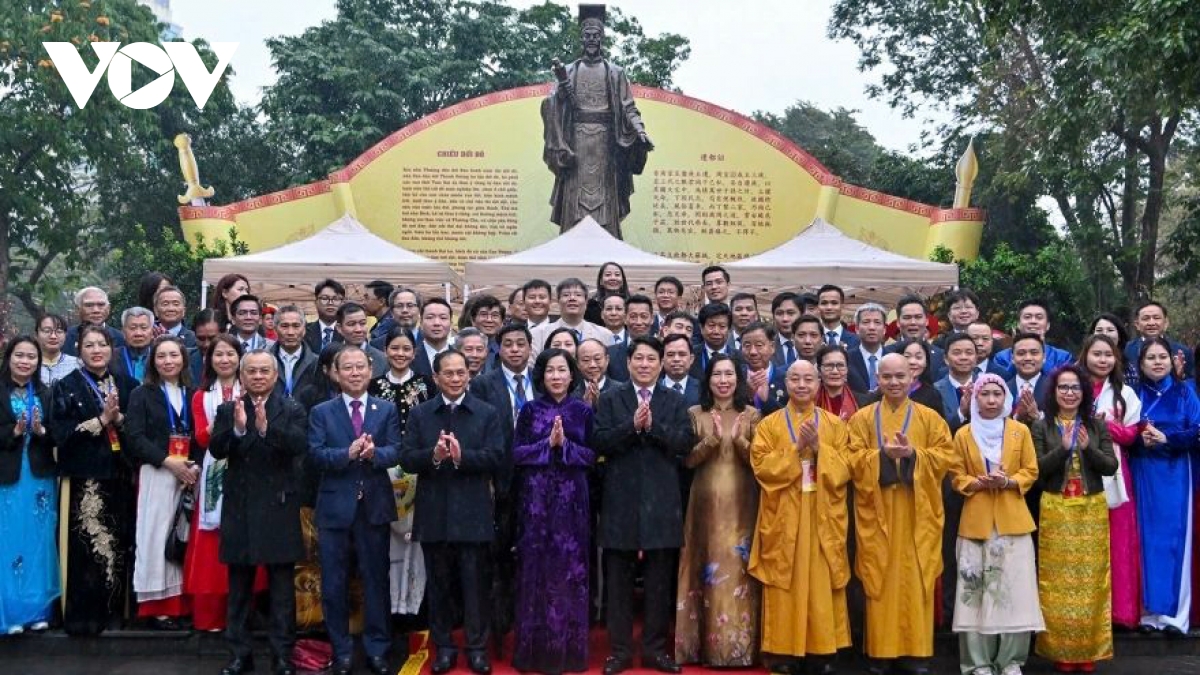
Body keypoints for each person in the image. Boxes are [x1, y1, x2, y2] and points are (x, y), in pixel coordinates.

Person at [593, 337, 694, 675]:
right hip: (620, 499)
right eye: (639, 358)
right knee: (618, 581)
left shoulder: (676, 401)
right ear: (628, 362)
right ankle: (619, 651)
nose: (645, 364)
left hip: (663, 501)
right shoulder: (610, 399)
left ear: (662, 363)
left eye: (652, 359)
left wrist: (653, 428)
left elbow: (683, 444)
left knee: (658, 582)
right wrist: (631, 426)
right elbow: (599, 442)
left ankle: (654, 649)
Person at [848, 353, 953, 675]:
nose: (894, 383)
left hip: (916, 512)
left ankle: (915, 653)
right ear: (877, 380)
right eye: (887, 377)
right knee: (879, 577)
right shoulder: (862, 418)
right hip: (877, 511)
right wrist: (881, 456)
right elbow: (850, 459)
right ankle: (880, 652)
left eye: (900, 377)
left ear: (912, 379)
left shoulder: (930, 418)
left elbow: (946, 456)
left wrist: (912, 455)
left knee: (915, 578)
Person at [400, 350, 503, 675]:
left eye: (462, 373)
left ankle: (476, 648)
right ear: (436, 377)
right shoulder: (421, 414)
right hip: (435, 513)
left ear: (469, 376)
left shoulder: (486, 413)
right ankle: (444, 647)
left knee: (475, 586)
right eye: (449, 373)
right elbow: (406, 458)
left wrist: (462, 458)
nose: (456, 378)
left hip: (473, 512)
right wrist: (433, 455)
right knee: (440, 586)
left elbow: (496, 457)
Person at [749, 360, 853, 675]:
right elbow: (761, 467)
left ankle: (822, 651)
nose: (802, 385)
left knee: (820, 581)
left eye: (809, 379)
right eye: (795, 378)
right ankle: (782, 653)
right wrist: (796, 448)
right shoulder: (769, 425)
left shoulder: (834, 425)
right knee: (784, 580)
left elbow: (848, 468)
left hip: (821, 512)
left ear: (819, 383)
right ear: (786, 383)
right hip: (784, 512)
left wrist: (820, 449)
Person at [209, 350, 309, 675]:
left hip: (278, 506)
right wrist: (238, 430)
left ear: (276, 375)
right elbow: (216, 449)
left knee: (282, 589)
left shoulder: (291, 408)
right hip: (240, 507)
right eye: (251, 371)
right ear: (242, 376)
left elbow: (299, 445)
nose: (258, 376)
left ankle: (282, 654)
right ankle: (240, 653)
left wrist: (267, 430)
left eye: (265, 370)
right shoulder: (229, 409)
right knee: (239, 588)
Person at [309, 345, 403, 675]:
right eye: (347, 367)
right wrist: (346, 454)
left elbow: (396, 451)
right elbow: (316, 455)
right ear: (335, 373)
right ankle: (342, 650)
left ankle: (378, 649)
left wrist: (375, 454)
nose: (354, 372)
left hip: (373, 507)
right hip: (335, 508)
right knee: (333, 583)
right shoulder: (322, 411)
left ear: (370, 370)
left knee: (376, 580)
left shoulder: (386, 409)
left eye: (360, 367)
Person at [948, 375, 1043, 675]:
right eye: (984, 394)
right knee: (974, 595)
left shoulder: (1019, 432)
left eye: (996, 394)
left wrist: (1009, 480)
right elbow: (955, 475)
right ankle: (977, 663)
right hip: (975, 521)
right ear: (974, 398)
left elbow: (1031, 469)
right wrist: (975, 483)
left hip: (1013, 520)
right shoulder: (963, 434)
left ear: (1006, 398)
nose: (991, 400)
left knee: (1016, 593)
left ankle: (1011, 661)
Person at [510, 348, 596, 674]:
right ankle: (533, 653)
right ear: (542, 376)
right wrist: (547, 445)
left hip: (573, 500)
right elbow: (517, 453)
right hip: (535, 500)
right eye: (550, 371)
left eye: (562, 370)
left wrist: (566, 447)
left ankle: (567, 653)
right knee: (535, 570)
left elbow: (591, 455)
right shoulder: (530, 410)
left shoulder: (583, 411)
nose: (556, 376)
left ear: (572, 375)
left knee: (569, 572)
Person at [675, 354, 762, 667]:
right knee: (705, 565)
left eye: (729, 374)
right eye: (717, 375)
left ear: (738, 379)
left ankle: (741, 649)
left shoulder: (752, 414)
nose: (723, 380)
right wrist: (711, 440)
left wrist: (740, 441)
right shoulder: (694, 413)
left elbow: (760, 463)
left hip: (743, 502)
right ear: (707, 379)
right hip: (704, 503)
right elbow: (687, 461)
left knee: (740, 567)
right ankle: (703, 648)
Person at [51, 324, 136, 635]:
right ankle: (83, 616)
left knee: (119, 544)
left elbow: (138, 432)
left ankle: (115, 612)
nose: (96, 350)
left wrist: (120, 420)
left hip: (120, 476)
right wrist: (101, 420)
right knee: (86, 548)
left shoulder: (127, 385)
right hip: (84, 479)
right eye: (89, 345)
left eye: (102, 344)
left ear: (111, 349)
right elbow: (62, 435)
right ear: (79, 350)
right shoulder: (66, 386)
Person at [1032, 364, 1118, 672]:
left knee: (1091, 582)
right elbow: (1037, 471)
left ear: (1084, 393)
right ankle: (1060, 651)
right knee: (1056, 584)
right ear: (1053, 393)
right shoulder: (1042, 427)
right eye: (1063, 388)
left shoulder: (1096, 426)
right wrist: (1064, 449)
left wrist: (1086, 448)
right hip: (1056, 509)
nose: (1069, 393)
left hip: (1090, 510)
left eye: (1075, 388)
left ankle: (1088, 651)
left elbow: (1110, 466)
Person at [542, 5, 651, 238]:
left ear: (602, 38)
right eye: (587, 36)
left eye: (596, 35)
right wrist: (560, 95)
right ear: (582, 38)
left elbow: (628, 107)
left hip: (606, 145)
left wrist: (640, 131)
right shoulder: (570, 71)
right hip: (576, 144)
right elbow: (551, 104)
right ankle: (571, 241)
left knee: (605, 200)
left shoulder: (615, 72)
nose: (592, 40)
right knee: (575, 198)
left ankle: (608, 243)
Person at [467, 323, 535, 655]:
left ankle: (531, 623)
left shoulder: (545, 378)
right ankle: (496, 629)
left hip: (540, 484)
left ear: (529, 347)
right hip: (499, 484)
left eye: (521, 344)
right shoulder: (482, 385)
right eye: (508, 344)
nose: (515, 350)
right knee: (497, 561)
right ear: (499, 349)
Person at [126, 335, 200, 630]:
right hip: (157, 472)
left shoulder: (192, 393)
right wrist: (167, 462)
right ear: (152, 362)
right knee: (155, 537)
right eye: (161, 356)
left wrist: (190, 467)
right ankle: (157, 606)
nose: (168, 361)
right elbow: (134, 437)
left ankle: (182, 602)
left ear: (183, 359)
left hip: (188, 475)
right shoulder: (141, 394)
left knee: (181, 536)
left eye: (174, 355)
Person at [1131, 337, 1200, 636]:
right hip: (1143, 470)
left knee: (1175, 539)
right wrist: (1139, 438)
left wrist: (1167, 438)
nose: (1158, 362)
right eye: (1151, 358)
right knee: (1145, 539)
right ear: (1141, 363)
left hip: (1175, 472)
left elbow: (1197, 431)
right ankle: (1148, 613)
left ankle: (1175, 616)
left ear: (1173, 361)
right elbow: (1121, 431)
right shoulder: (1132, 394)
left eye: (1163, 357)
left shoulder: (1186, 392)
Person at [367, 326, 433, 636]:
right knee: (389, 540)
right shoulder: (374, 385)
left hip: (418, 470)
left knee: (416, 540)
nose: (400, 354)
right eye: (394, 348)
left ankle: (416, 607)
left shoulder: (425, 384)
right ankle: (392, 607)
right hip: (382, 470)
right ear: (385, 351)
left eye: (406, 349)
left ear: (415, 353)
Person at [1078, 334, 1143, 630]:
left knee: (1118, 543)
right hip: (1078, 471)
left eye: (1108, 355)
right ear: (1085, 356)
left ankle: (1120, 612)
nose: (1102, 360)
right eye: (1096, 354)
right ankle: (1086, 611)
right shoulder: (1073, 388)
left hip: (1115, 471)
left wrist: (1105, 426)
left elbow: (1132, 434)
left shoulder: (1124, 393)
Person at [184, 335, 247, 633]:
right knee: (211, 547)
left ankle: (243, 613)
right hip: (214, 472)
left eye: (230, 354)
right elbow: (201, 438)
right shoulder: (201, 396)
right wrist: (225, 418)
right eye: (218, 355)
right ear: (209, 360)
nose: (224, 360)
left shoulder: (251, 390)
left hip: (248, 469)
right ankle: (211, 616)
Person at [0, 337, 58, 634]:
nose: (25, 361)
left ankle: (37, 610)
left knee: (39, 542)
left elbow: (57, 435)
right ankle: (9, 614)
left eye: (31, 357)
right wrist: (15, 431)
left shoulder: (47, 393)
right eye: (19, 355)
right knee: (7, 542)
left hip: (39, 479)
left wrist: (40, 430)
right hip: (7, 478)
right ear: (9, 358)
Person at [530, 278, 614, 359]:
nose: (572, 298)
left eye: (578, 295)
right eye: (566, 295)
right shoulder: (538, 334)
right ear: (558, 301)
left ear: (586, 302)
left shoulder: (604, 335)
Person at [990, 300, 1073, 377]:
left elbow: (1062, 385)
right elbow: (1001, 383)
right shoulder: (1001, 357)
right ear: (1018, 324)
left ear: (1048, 325)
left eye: (1039, 317)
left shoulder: (1063, 357)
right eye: (1027, 317)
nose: (1033, 321)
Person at [1126, 301, 1193, 383]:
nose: (1151, 323)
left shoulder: (1183, 351)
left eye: (1156, 318)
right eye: (1146, 318)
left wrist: (1179, 376)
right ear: (1137, 324)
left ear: (1166, 323)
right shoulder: (1126, 350)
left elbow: (1192, 384)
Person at [886, 295, 948, 382]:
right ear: (898, 323)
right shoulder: (886, 353)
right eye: (907, 317)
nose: (913, 322)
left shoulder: (940, 355)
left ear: (926, 321)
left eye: (918, 317)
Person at [934, 334, 981, 436]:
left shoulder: (988, 386)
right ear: (946, 359)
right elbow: (936, 429)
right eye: (957, 353)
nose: (963, 357)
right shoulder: (934, 391)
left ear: (976, 358)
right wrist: (961, 412)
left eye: (969, 353)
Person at [272, 305, 321, 399]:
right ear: (275, 330)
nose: (290, 332)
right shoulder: (265, 361)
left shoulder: (316, 363)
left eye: (296, 326)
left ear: (304, 329)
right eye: (284, 326)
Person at [63, 286, 126, 358]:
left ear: (108, 309)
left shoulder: (120, 338)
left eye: (101, 305)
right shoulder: (65, 337)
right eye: (89, 305)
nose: (96, 310)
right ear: (78, 309)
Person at [739, 322, 786, 416]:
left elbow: (787, 417)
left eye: (759, 345)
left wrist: (766, 399)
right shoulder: (735, 376)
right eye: (747, 346)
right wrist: (750, 395)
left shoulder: (785, 378)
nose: (752, 352)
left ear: (772, 347)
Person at [815, 344, 867, 422]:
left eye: (840, 365)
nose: (835, 371)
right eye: (829, 365)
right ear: (819, 370)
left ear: (847, 369)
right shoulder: (810, 401)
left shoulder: (863, 402)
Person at [1005, 333, 1050, 425]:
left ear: (1044, 357)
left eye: (1034, 353)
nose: (1028, 358)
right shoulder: (1003, 388)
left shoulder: (1054, 388)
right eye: (1021, 353)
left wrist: (1038, 416)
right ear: (1012, 358)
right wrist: (1017, 417)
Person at [608, 294, 654, 382]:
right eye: (633, 317)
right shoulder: (610, 353)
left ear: (651, 319)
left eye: (644, 316)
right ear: (625, 319)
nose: (639, 322)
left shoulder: (663, 351)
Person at [691, 302, 739, 380]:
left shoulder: (740, 358)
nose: (716, 331)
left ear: (729, 330)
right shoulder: (690, 355)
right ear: (701, 328)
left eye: (722, 326)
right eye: (711, 325)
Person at [847, 303, 888, 394]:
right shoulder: (847, 359)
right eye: (866, 322)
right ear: (857, 328)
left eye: (877, 322)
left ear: (884, 329)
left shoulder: (894, 358)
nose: (872, 327)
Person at [412, 298, 454, 378]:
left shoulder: (460, 358)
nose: (437, 323)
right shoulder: (410, 358)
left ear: (451, 324)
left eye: (443, 318)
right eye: (430, 317)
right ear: (420, 323)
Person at [112, 306, 155, 384]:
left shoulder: (159, 355)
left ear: (152, 332)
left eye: (143, 328)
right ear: (123, 332)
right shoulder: (112, 357)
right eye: (133, 328)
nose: (138, 333)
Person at [35, 312, 79, 386]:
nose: (53, 336)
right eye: (47, 331)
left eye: (59, 331)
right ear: (36, 335)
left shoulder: (78, 365)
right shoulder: (28, 364)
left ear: (65, 335)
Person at [305, 279, 346, 354]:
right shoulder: (304, 331)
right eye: (325, 298)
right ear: (316, 302)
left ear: (342, 303)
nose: (330, 303)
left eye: (336, 299)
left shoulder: (348, 332)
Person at [660, 334, 701, 408]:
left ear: (691, 359)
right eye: (670, 354)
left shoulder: (702, 389)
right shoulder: (652, 389)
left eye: (682, 354)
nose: (676, 359)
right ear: (662, 360)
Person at [815, 285, 861, 350]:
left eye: (834, 303)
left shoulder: (857, 340)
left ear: (842, 306)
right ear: (818, 307)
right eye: (824, 303)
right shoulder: (811, 339)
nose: (829, 307)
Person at [586, 261, 630, 326]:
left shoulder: (631, 304)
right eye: (608, 275)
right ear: (600, 281)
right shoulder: (590, 307)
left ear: (623, 280)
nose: (613, 278)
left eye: (617, 275)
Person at [769, 293, 803, 368]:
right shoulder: (767, 346)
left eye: (790, 313)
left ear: (802, 315)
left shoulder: (812, 344)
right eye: (779, 313)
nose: (785, 319)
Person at [190, 309, 221, 384]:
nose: (207, 344)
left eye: (212, 338)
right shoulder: (185, 361)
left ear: (225, 333)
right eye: (201, 338)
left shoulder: (239, 361)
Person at [363, 280, 396, 344]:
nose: (363, 303)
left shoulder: (389, 330)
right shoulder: (381, 324)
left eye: (367, 298)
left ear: (381, 301)